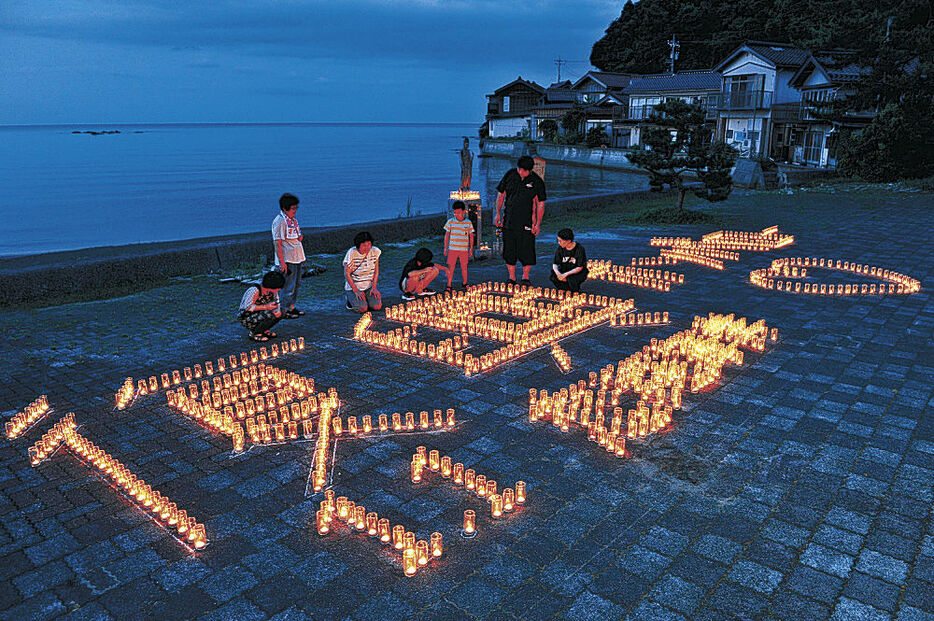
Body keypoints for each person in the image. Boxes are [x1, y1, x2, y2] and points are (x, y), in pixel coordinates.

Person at [495, 155, 546, 286]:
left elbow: (540, 203)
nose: (521, 172)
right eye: (519, 169)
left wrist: (537, 224)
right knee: (509, 249)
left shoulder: (536, 181)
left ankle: (525, 277)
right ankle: (511, 277)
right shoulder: (510, 175)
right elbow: (501, 194)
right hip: (509, 219)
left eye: (523, 170)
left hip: (527, 221)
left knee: (527, 249)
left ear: (529, 171)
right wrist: (497, 213)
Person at [272, 193, 306, 318]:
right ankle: (284, 310)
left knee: (297, 284)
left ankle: (292, 307)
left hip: (297, 256)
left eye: (296, 208)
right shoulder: (279, 221)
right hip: (288, 258)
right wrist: (282, 262)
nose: (295, 211)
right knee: (288, 285)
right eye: (293, 208)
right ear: (285, 208)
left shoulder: (292, 220)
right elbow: (277, 243)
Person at [238, 271, 286, 342]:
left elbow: (277, 301)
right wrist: (266, 307)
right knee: (268, 313)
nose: (279, 290)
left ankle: (264, 330)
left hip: (262, 313)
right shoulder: (255, 290)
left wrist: (277, 310)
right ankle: (255, 334)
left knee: (282, 311)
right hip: (247, 317)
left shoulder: (272, 292)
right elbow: (246, 308)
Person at [343, 231, 382, 313]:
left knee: (377, 306)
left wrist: (374, 287)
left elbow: (376, 271)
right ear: (358, 246)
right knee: (362, 309)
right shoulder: (352, 253)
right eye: (364, 245)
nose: (367, 247)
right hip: (354, 287)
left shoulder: (375, 251)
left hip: (368, 286)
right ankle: (349, 300)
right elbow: (347, 274)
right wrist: (356, 291)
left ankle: (366, 299)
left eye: (369, 244)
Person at [444, 201, 474, 290]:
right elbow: (447, 235)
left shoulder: (468, 223)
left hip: (464, 249)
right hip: (453, 249)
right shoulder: (450, 222)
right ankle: (449, 284)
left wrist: (471, 249)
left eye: (458, 212)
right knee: (451, 267)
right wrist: (445, 248)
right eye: (455, 212)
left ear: (464, 211)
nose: (456, 214)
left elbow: (471, 236)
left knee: (464, 267)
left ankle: (465, 283)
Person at [550, 228, 588, 292]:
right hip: (564, 269)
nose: (559, 243)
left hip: (576, 271)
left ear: (568, 241)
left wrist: (565, 275)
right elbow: (555, 264)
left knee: (571, 279)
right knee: (553, 276)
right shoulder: (560, 249)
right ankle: (564, 290)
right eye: (558, 240)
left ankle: (575, 291)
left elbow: (579, 267)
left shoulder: (579, 249)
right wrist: (558, 274)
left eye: (560, 241)